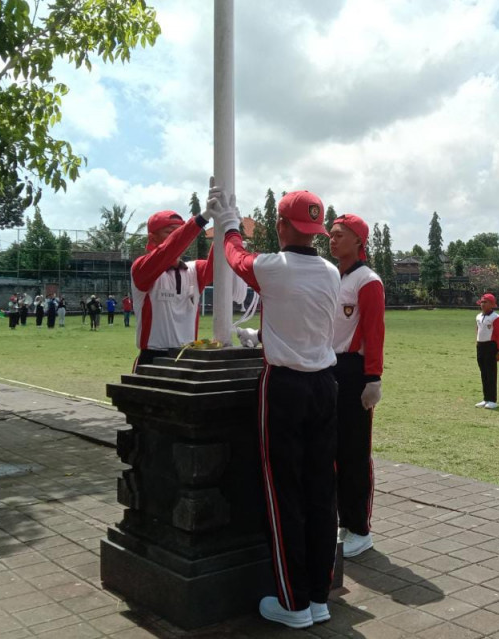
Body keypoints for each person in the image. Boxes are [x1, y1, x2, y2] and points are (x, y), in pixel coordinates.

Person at [208, 179, 340, 630]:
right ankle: (318, 596)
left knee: (283, 493)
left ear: (282, 225)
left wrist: (229, 225)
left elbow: (235, 258)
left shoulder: (274, 268)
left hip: (285, 386)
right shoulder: (331, 272)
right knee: (321, 492)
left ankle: (294, 602)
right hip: (325, 384)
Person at [328, 214, 385, 560]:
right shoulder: (334, 276)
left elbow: (374, 331)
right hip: (329, 366)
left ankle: (361, 529)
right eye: (331, 235)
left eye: (339, 235)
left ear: (358, 241)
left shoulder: (368, 280)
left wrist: (373, 377)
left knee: (355, 452)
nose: (332, 240)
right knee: (334, 450)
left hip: (354, 371)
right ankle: (345, 520)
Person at [130, 210, 216, 369]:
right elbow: (169, 249)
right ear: (152, 238)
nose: (177, 236)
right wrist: (202, 218)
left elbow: (218, 264)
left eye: (180, 231)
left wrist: (226, 226)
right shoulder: (141, 268)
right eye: (170, 232)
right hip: (153, 358)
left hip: (188, 355)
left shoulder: (194, 270)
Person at [474, 293, 499, 409]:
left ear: (492, 304)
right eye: (482, 302)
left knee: (491, 373)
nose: (483, 304)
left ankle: (492, 400)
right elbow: (478, 330)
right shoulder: (478, 316)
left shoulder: (495, 317)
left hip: (491, 346)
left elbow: (498, 335)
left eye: (485, 302)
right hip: (480, 346)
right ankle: (486, 398)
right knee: (483, 373)